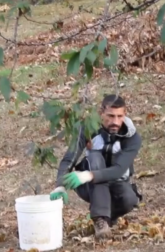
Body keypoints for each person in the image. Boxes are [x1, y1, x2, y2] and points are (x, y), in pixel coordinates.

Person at [49, 94, 143, 239]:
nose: (115, 122)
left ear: (125, 115)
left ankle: (108, 215)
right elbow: (70, 157)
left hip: (115, 180)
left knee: (130, 200)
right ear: (101, 113)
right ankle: (100, 220)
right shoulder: (87, 128)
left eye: (119, 116)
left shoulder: (132, 137)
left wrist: (89, 175)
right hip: (87, 184)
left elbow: (119, 169)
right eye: (110, 116)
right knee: (95, 155)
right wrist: (60, 185)